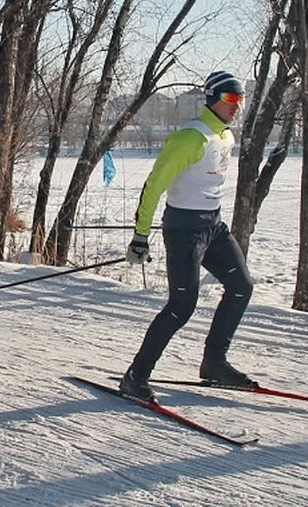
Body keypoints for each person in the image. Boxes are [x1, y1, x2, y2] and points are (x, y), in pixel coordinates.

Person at [120, 71, 255, 402]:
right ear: (212, 99)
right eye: (229, 99)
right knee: (182, 305)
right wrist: (141, 236)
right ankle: (135, 376)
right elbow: (154, 186)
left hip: (214, 227)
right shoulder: (190, 139)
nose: (236, 106)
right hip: (183, 230)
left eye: (240, 99)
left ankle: (214, 363)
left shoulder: (225, 137)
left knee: (241, 287)